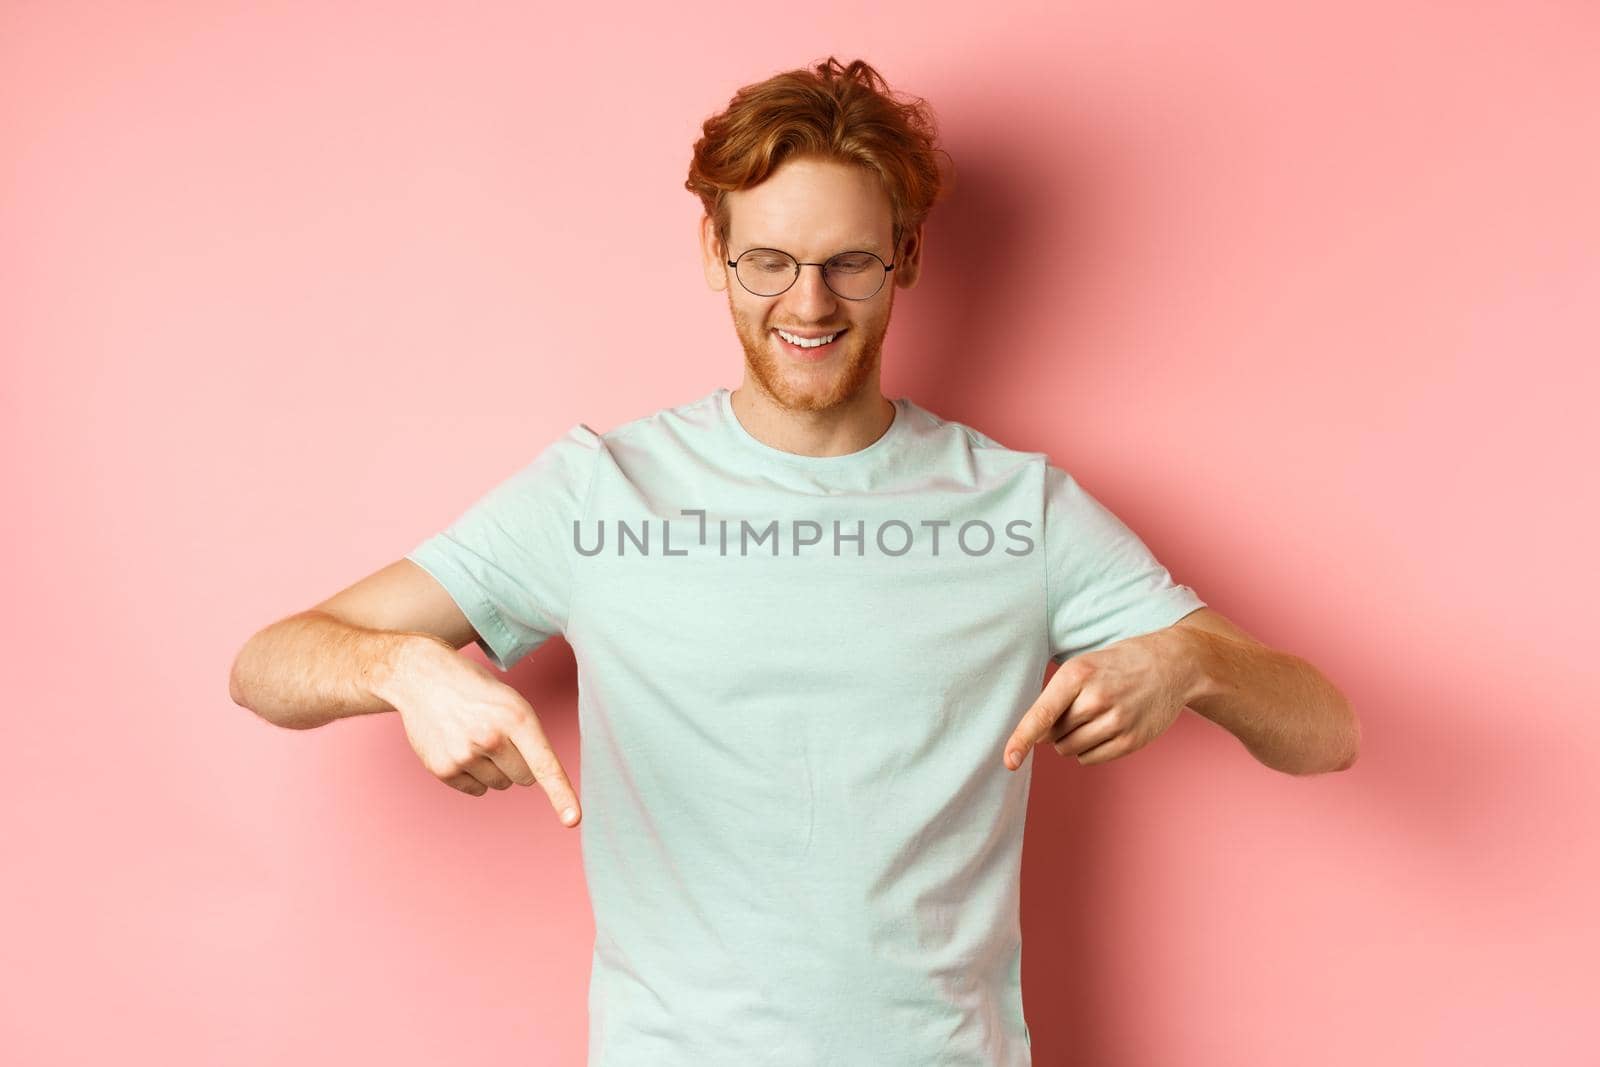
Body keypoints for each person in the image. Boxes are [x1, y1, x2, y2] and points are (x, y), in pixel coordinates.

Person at [229, 56, 1359, 1067]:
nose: (806, 305)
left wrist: (1185, 663)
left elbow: (1325, 729)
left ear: (904, 256)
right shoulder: (599, 493)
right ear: (713, 254)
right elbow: (270, 665)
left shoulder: (1019, 509)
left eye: (847, 263)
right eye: (767, 261)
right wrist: (406, 669)